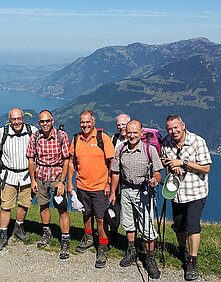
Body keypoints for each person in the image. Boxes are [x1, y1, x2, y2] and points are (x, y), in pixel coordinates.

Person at [110, 119, 163, 279]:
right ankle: (132, 251)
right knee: (128, 223)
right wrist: (113, 192)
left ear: (141, 133)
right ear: (125, 133)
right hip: (125, 190)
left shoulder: (150, 149)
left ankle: (150, 259)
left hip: (144, 192)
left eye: (135, 132)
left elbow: (158, 171)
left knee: (146, 226)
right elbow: (116, 172)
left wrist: (155, 180)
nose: (132, 135)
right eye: (129, 132)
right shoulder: (120, 149)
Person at [161, 115, 212, 281]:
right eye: (169, 128)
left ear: (183, 125)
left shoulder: (198, 141)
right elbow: (165, 161)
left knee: (192, 226)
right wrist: (171, 166)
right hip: (176, 192)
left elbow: (205, 168)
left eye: (176, 127)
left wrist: (183, 163)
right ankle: (181, 249)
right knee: (179, 224)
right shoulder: (166, 142)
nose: (173, 131)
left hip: (195, 192)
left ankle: (192, 260)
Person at [67, 110, 115, 268]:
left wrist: (108, 183)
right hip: (82, 185)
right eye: (82, 122)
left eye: (88, 122)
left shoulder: (103, 138)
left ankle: (102, 246)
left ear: (93, 122)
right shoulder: (76, 139)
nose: (85, 125)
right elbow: (72, 163)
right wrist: (69, 182)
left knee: (100, 218)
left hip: (100, 187)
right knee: (86, 214)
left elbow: (111, 163)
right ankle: (88, 237)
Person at [0, 107, 38, 252]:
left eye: (19, 119)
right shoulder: (2, 133)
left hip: (26, 176)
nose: (17, 122)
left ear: (23, 118)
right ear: (9, 120)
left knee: (24, 204)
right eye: (13, 119)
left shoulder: (33, 131)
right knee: (6, 206)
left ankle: (18, 227)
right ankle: (3, 233)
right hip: (8, 175)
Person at [27, 110, 71, 259]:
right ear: (39, 123)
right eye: (42, 121)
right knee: (43, 205)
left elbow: (66, 159)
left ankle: (65, 239)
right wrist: (33, 180)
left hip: (57, 176)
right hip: (40, 176)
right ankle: (47, 233)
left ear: (52, 121)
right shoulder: (35, 136)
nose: (45, 124)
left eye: (47, 121)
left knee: (62, 208)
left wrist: (62, 181)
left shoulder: (61, 136)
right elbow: (31, 159)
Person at [108, 113, 131, 245]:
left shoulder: (136, 139)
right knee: (114, 209)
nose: (121, 127)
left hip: (130, 182)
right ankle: (114, 235)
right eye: (119, 125)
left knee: (130, 213)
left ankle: (130, 242)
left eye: (124, 124)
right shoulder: (115, 138)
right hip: (116, 182)